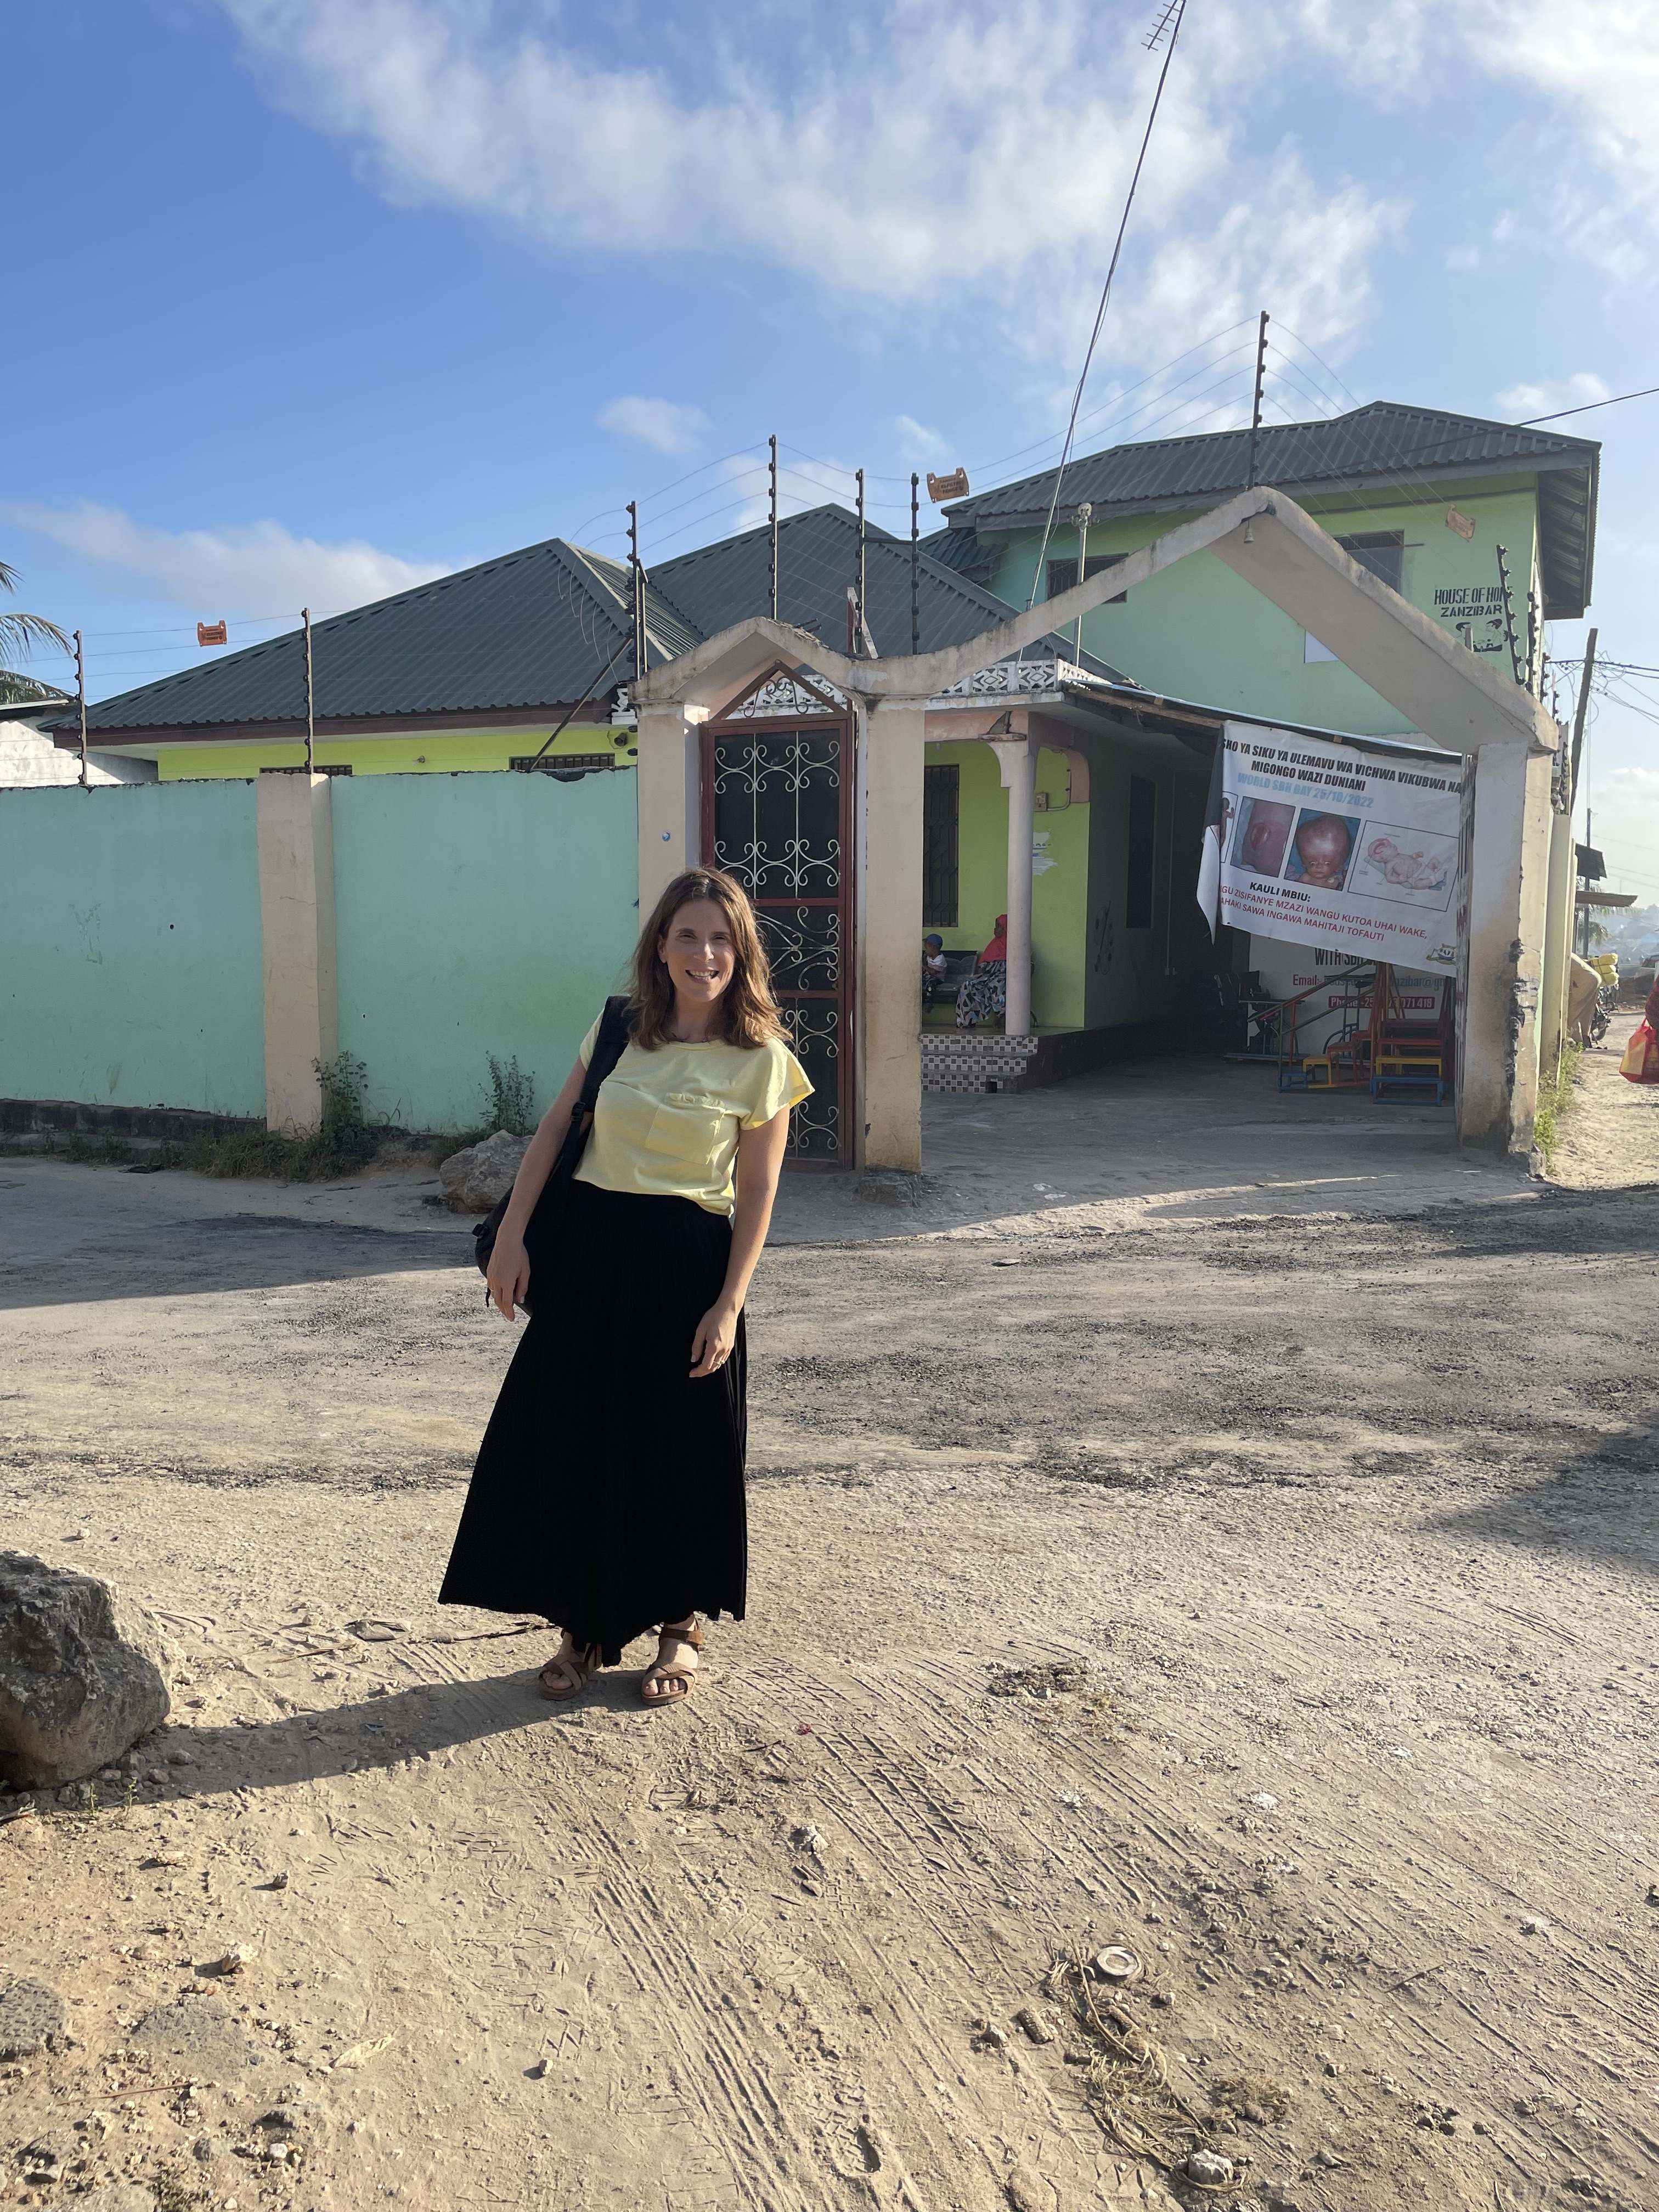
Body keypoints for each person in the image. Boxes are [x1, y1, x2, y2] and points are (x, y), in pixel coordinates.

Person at [438, 867, 811, 1708]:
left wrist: (729, 1303)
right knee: (575, 1438)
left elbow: (757, 1194)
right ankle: (584, 1628)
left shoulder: (763, 1060)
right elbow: (555, 1129)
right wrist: (508, 1238)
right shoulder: (618, 1030)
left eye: (720, 938)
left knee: (678, 1451)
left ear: (740, 951)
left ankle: (678, 1631)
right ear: (661, 945)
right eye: (687, 934)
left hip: (688, 1269)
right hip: (591, 1264)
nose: (703, 953)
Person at [955, 915, 1009, 1030]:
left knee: (995, 987)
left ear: (1006, 928)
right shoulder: (994, 944)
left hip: (1002, 976)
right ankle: (967, 1021)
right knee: (967, 986)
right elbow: (983, 964)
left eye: (999, 926)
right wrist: (983, 968)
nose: (995, 929)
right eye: (995, 926)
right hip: (987, 976)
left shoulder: (1013, 944)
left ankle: (1000, 1015)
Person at [1291, 813, 1354, 890]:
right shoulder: (1304, 878)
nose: (1319, 867)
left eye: (1327, 863)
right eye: (1312, 863)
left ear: (1339, 866)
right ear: (1304, 864)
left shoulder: (1338, 881)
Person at [921, 933, 947, 1008]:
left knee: (931, 984)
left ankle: (929, 1002)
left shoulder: (940, 959)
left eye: (926, 949)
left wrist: (924, 965)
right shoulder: (930, 957)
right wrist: (924, 959)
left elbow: (933, 972)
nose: (926, 951)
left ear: (933, 948)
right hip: (928, 976)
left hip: (937, 979)